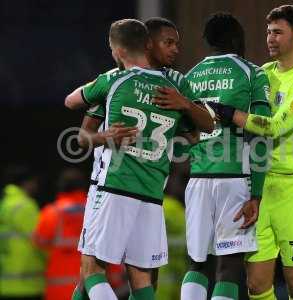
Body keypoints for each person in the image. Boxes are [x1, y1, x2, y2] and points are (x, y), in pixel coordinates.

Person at [64, 19, 214, 300]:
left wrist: (183, 108)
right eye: (167, 42)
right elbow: (198, 133)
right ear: (148, 44)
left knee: (93, 269)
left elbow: (73, 108)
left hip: (115, 184)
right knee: (138, 278)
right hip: (149, 189)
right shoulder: (169, 86)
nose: (175, 50)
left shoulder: (118, 80)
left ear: (117, 50)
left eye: (176, 43)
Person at [207, 5, 293, 300]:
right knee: (257, 285)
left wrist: (229, 113)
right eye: (268, 32)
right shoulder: (261, 74)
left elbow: (277, 126)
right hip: (257, 185)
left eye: (277, 32)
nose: (270, 39)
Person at [165, 13, 271, 300]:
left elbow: (182, 130)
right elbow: (260, 132)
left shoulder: (189, 78)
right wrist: (257, 194)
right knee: (229, 265)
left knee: (197, 262)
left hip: (198, 179)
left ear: (207, 42)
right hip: (235, 178)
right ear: (239, 39)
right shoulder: (252, 73)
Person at [33, 168, 88, 300]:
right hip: (89, 287)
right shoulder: (96, 212)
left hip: (58, 290)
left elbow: (38, 244)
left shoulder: (51, 213)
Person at [0, 165, 46, 300]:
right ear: (27, 182)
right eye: (34, 181)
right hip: (26, 284)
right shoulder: (25, 206)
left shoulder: (4, 204)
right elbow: (40, 241)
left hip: (5, 283)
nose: (36, 185)